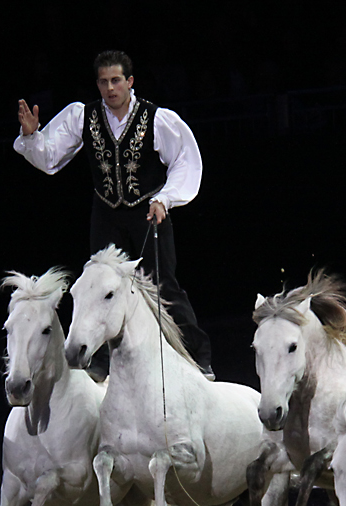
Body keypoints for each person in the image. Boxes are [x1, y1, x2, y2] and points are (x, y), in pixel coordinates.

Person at [14, 50, 213, 381]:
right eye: (104, 82)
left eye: (116, 80)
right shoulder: (84, 117)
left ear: (129, 82)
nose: (110, 88)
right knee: (99, 286)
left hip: (148, 212)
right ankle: (101, 361)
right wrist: (33, 137)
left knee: (162, 285)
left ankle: (196, 358)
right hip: (106, 213)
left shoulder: (156, 118)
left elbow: (185, 160)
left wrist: (165, 198)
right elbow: (50, 158)